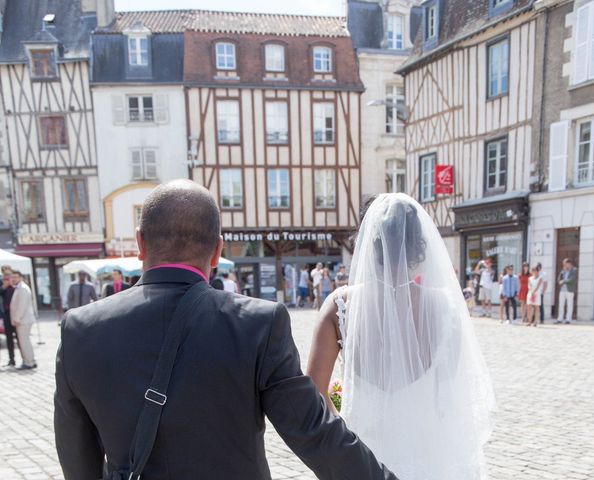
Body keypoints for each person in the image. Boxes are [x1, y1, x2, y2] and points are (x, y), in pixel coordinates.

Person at [54, 180, 397, 480]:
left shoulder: (79, 330)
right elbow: (315, 432)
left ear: (140, 244)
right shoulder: (257, 324)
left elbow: (76, 458)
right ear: (218, 250)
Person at [308, 193, 494, 479]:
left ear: (368, 241)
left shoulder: (339, 307)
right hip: (429, 457)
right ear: (419, 245)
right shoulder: (446, 308)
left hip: (362, 458)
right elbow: (447, 393)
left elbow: (313, 393)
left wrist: (346, 415)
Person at [10, 271, 37, 369]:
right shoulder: (20, 288)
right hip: (23, 320)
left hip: (23, 320)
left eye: (15, 277)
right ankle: (29, 360)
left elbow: (22, 306)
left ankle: (29, 362)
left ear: (21, 277)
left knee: (24, 342)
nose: (13, 279)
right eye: (12, 277)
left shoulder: (22, 289)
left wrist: (17, 318)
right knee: (24, 341)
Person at [556, 258, 578, 324]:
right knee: (561, 304)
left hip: (570, 290)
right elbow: (559, 279)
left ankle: (568, 319)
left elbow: (572, 279)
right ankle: (560, 319)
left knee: (569, 305)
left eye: (565, 264)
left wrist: (563, 281)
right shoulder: (563, 270)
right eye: (564, 264)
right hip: (562, 290)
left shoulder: (574, 270)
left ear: (569, 264)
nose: (564, 266)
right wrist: (562, 272)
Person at [1, 273, 16, 367]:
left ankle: (26, 359)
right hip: (6, 317)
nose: (6, 281)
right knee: (9, 340)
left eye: (8, 279)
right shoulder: (3, 290)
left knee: (20, 339)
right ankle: (12, 359)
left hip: (16, 316)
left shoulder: (16, 289)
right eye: (5, 279)